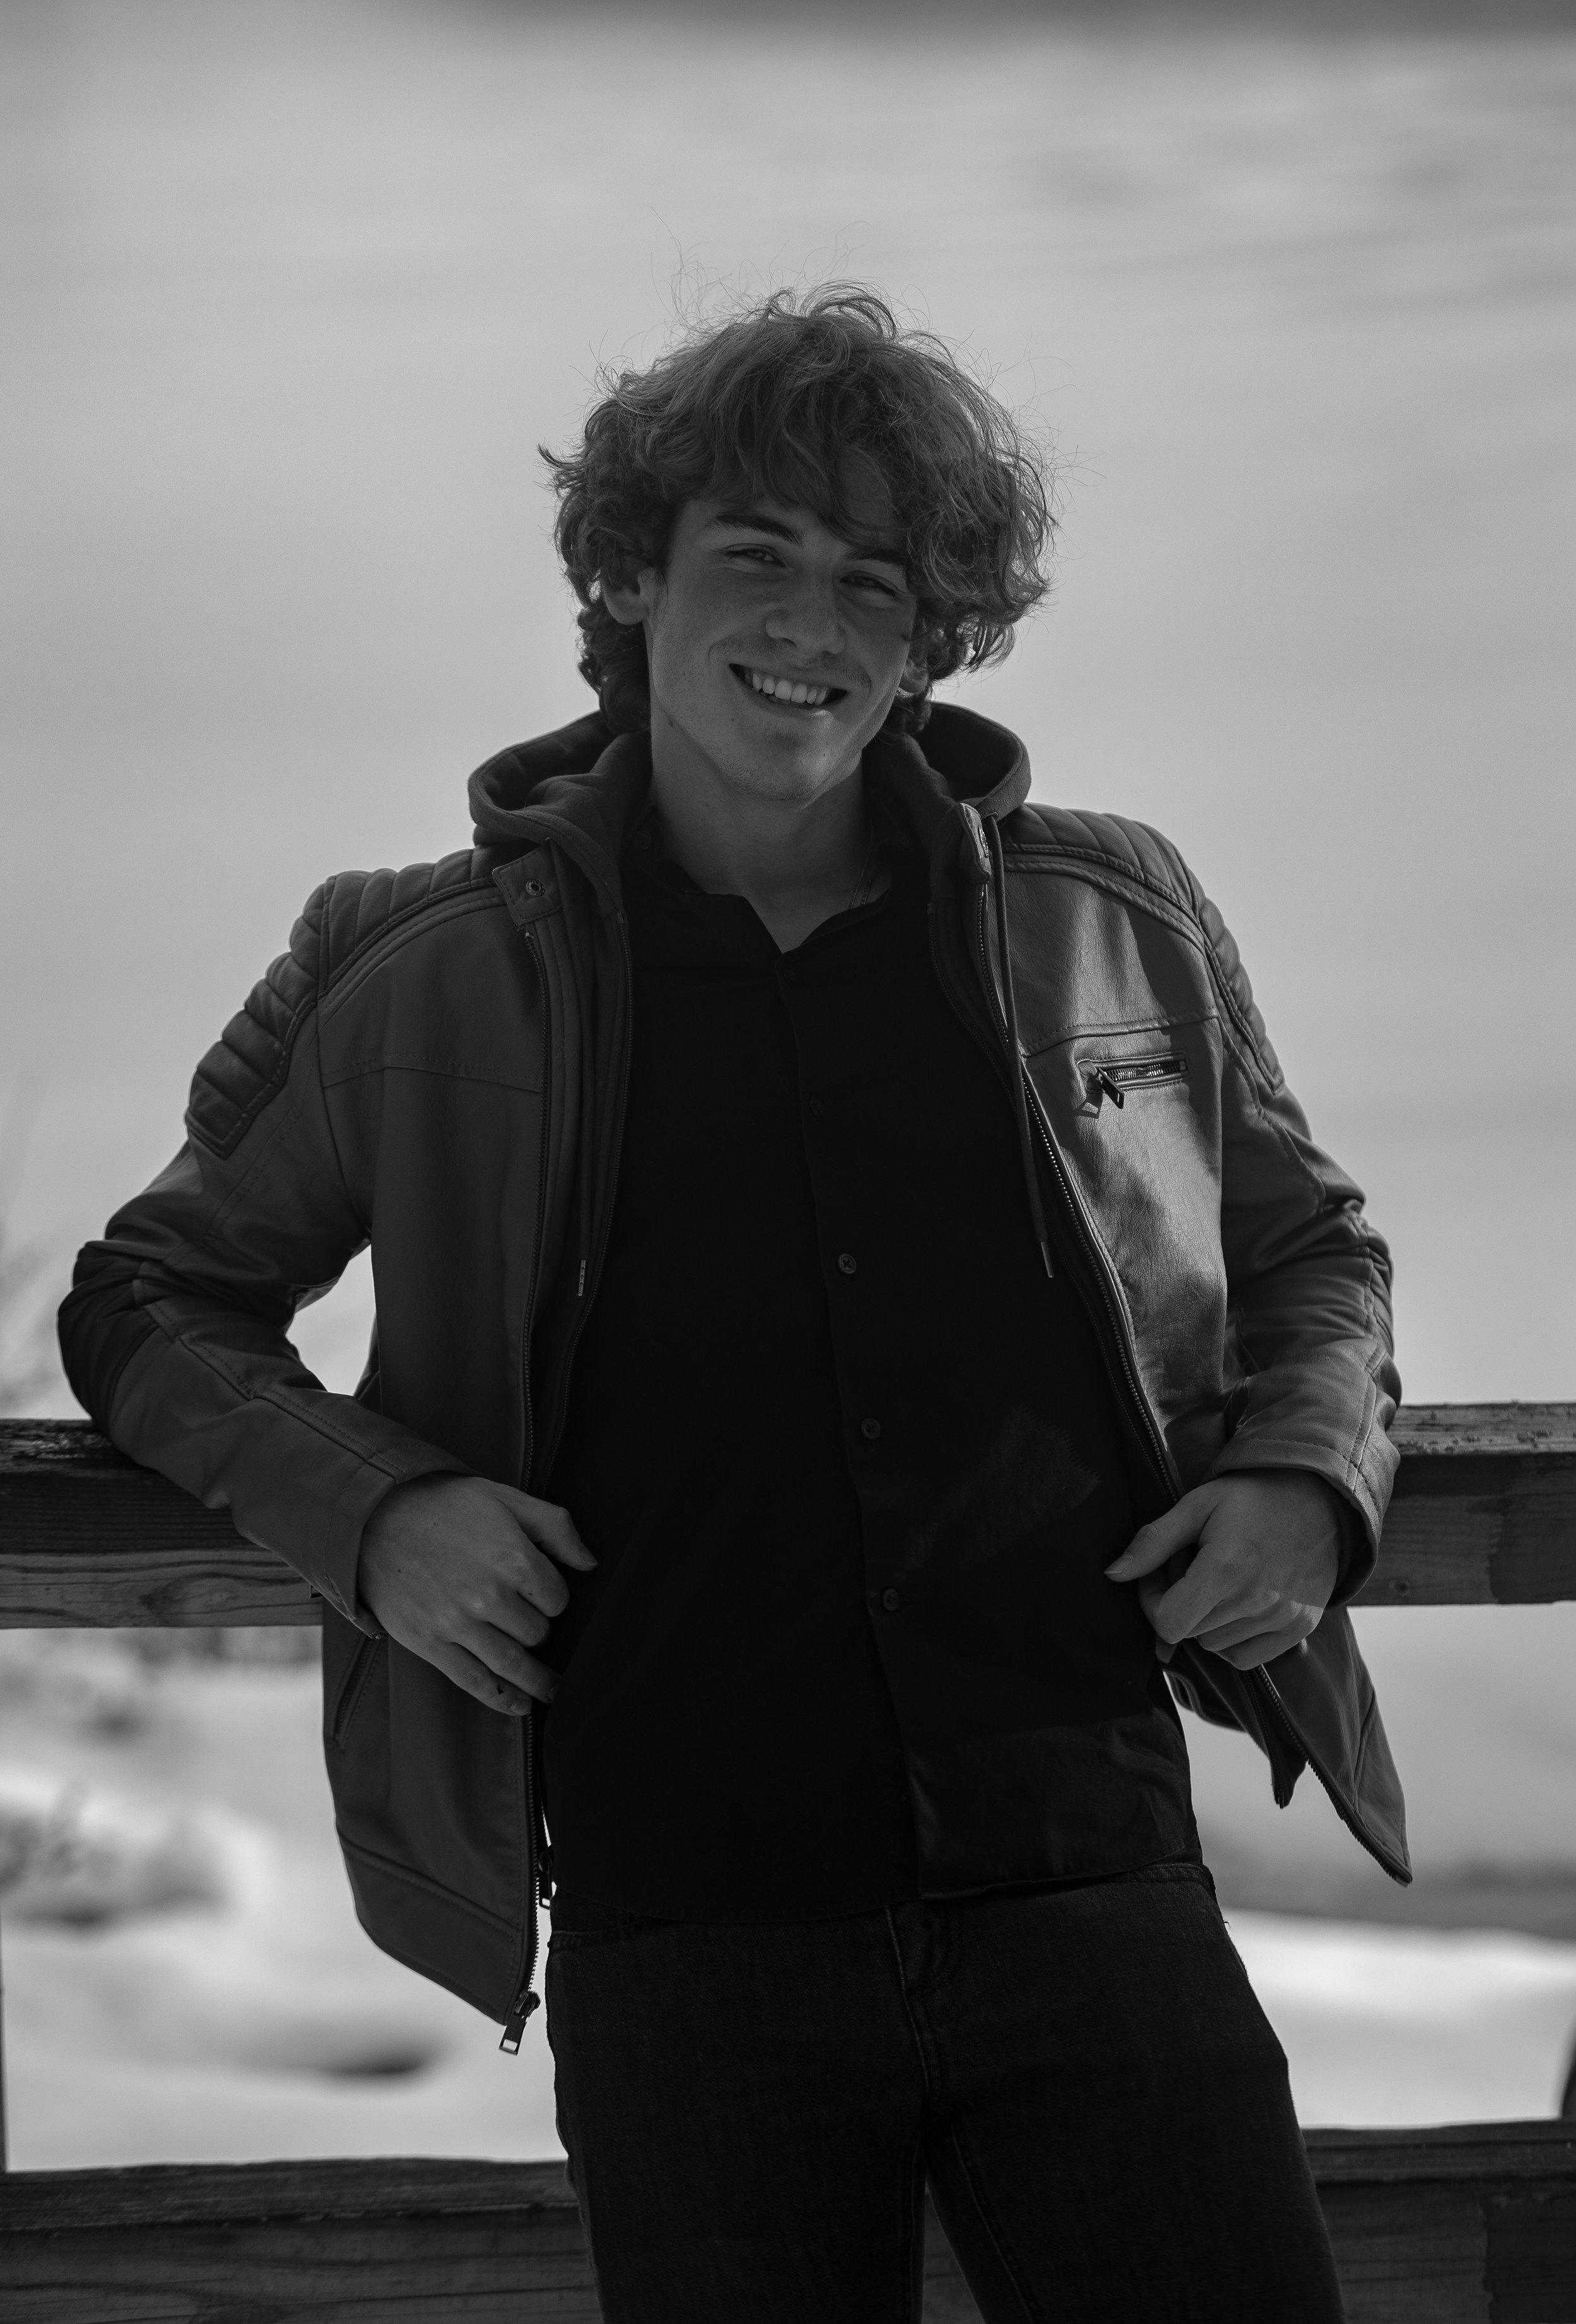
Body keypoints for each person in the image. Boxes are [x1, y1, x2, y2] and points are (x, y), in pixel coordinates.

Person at [61, 286, 1406, 2323]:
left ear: (937, 630)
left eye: (877, 580)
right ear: (627, 575)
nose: (812, 626)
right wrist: (377, 1511)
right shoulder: (413, 964)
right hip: (686, 1929)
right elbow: (149, 1301)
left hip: (1094, 1873)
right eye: (754, 557)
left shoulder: (1106, 914)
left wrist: (1309, 1479)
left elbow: (1310, 1257)